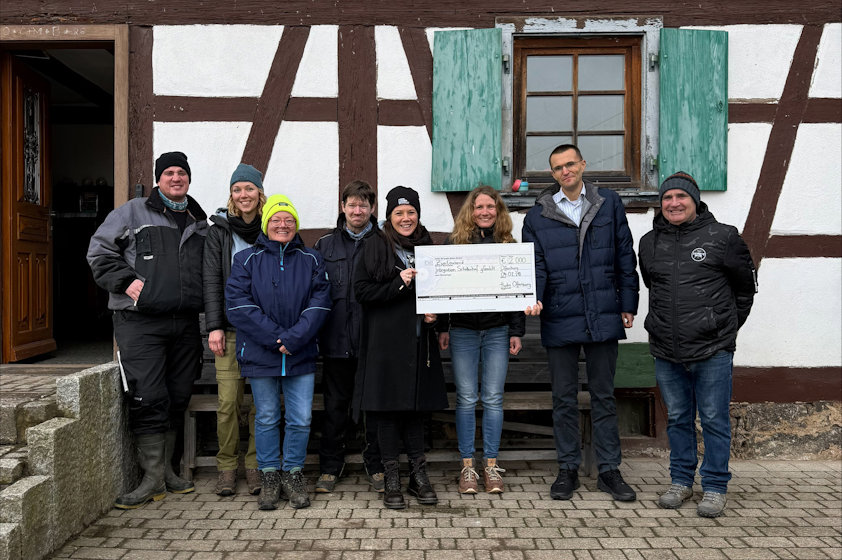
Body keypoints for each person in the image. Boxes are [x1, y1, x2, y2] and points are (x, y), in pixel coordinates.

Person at [87, 151, 206, 509]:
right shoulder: (132, 212)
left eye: (181, 173)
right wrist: (127, 283)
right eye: (168, 173)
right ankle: (150, 478)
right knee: (148, 395)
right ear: (158, 179)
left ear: (188, 178)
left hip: (184, 322)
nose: (175, 178)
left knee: (178, 393)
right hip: (140, 323)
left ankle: (168, 472)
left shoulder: (198, 220)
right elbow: (99, 252)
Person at [522, 143, 639, 502]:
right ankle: (568, 469)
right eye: (557, 168)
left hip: (603, 311)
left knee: (604, 396)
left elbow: (624, 254)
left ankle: (609, 471)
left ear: (583, 165)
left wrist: (628, 303)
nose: (565, 172)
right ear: (552, 174)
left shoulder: (609, 204)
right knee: (564, 398)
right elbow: (535, 264)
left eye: (570, 164)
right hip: (559, 314)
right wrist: (534, 296)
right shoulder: (537, 215)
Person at [639, 171, 757, 518]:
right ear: (661, 204)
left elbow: (744, 291)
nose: (674, 203)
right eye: (667, 198)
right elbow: (652, 285)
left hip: (712, 350)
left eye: (681, 197)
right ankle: (680, 481)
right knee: (677, 419)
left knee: (715, 419)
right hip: (666, 348)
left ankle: (716, 486)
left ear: (694, 201)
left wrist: (723, 330)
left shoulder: (724, 237)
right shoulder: (649, 242)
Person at [225, 194, 331, 510]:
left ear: (295, 224)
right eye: (275, 219)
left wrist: (295, 338)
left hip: (300, 353)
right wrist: (276, 339)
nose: (282, 225)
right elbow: (239, 305)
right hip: (261, 353)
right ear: (265, 223)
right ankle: (270, 474)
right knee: (267, 417)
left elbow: (320, 302)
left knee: (300, 418)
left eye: (288, 220)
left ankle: (293, 474)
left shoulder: (312, 259)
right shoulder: (245, 260)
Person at [353, 186, 448, 510]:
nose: (405, 218)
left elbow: (439, 293)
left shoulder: (427, 246)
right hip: (386, 345)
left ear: (418, 215)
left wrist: (436, 317)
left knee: (417, 411)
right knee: (389, 412)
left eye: (411, 212)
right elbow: (362, 292)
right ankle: (391, 475)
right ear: (389, 217)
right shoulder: (374, 246)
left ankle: (417, 475)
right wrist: (399, 283)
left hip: (420, 343)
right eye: (399, 213)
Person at [437, 185, 526, 494]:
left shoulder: (508, 243)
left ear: (498, 211)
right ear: (470, 212)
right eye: (479, 207)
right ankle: (467, 467)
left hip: (497, 331)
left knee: (492, 398)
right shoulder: (454, 243)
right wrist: (443, 328)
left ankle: (490, 465)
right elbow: (442, 287)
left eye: (491, 207)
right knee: (465, 398)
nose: (485, 212)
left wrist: (516, 330)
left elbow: (518, 292)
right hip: (462, 331)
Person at [313, 181, 384, 493]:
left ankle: (376, 464)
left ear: (371, 209)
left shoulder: (384, 243)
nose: (358, 210)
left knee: (374, 407)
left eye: (364, 205)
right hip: (335, 342)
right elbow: (314, 294)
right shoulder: (324, 246)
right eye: (352, 204)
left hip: (373, 342)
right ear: (343, 207)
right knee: (334, 408)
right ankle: (330, 466)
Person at [203, 163, 266, 497]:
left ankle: (255, 465)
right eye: (237, 189)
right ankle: (227, 467)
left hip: (262, 333)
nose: (244, 195)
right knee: (228, 404)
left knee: (260, 404)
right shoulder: (219, 231)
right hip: (228, 331)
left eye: (249, 189)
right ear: (231, 194)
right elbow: (211, 280)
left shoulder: (272, 228)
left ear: (259, 193)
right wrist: (213, 325)